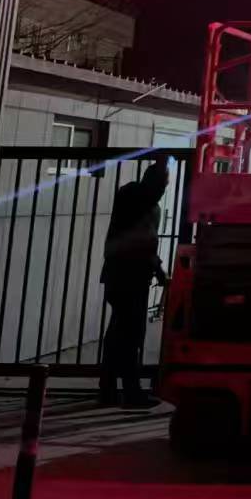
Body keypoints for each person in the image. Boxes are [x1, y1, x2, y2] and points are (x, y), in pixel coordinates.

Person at [99, 159, 170, 408]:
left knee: (118, 334)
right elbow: (144, 242)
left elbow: (145, 242)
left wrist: (156, 268)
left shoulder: (136, 200)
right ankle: (130, 392)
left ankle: (109, 390)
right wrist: (158, 269)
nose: (163, 190)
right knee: (130, 336)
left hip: (122, 275)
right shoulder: (140, 202)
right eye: (162, 185)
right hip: (129, 276)